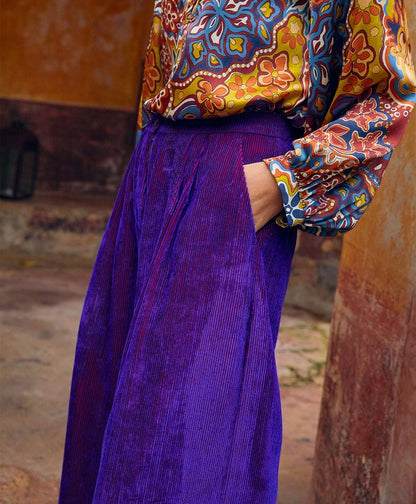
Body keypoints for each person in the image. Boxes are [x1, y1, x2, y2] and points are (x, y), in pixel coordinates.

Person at [59, 1, 416, 503]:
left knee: (187, 419)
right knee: (113, 394)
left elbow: (389, 89)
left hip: (235, 170)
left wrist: (286, 179)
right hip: (154, 166)